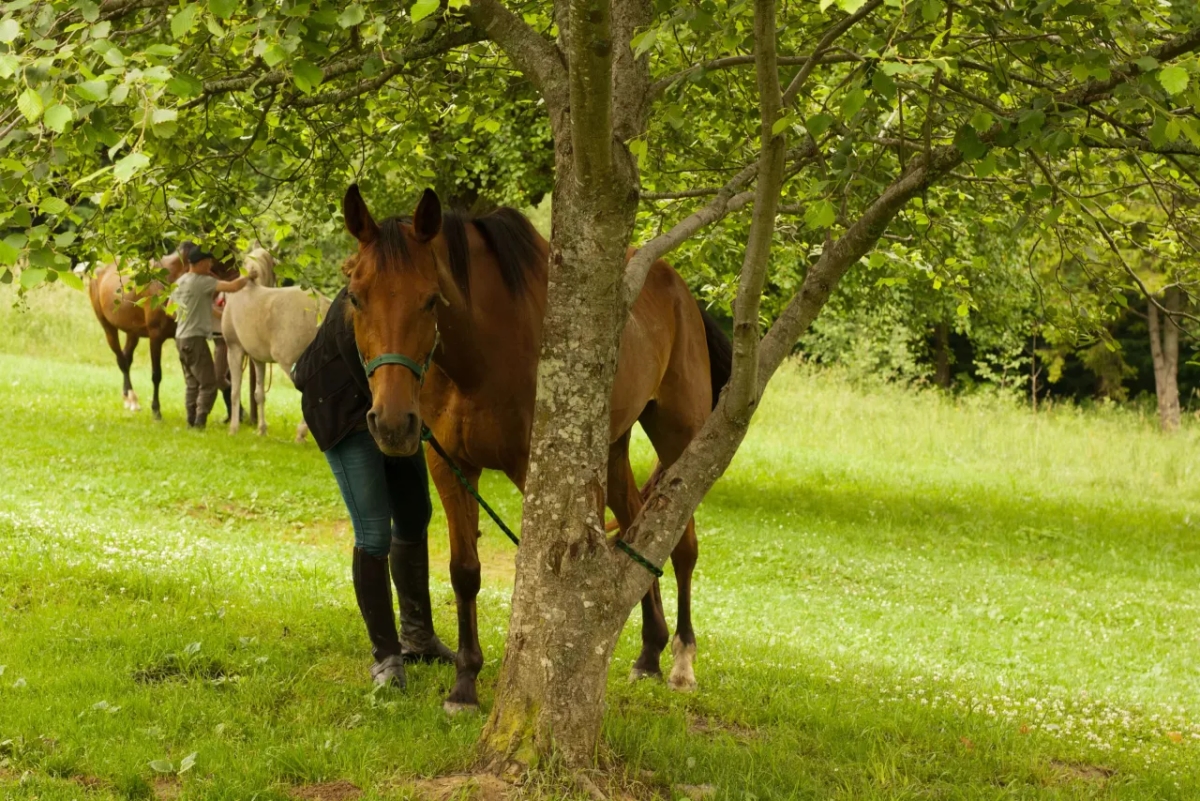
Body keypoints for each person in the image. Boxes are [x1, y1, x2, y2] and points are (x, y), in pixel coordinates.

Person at [292, 286, 455, 688]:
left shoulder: (412, 295)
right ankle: (386, 657)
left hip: (392, 405)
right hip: (342, 407)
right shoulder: (365, 295)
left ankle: (418, 636)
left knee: (416, 512)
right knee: (374, 532)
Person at [172, 246, 248, 429]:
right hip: (195, 339)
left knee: (192, 383)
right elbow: (233, 286)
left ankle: (190, 420)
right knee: (209, 383)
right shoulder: (202, 281)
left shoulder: (180, 281)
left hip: (180, 338)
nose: (211, 265)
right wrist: (250, 275)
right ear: (199, 263)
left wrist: (198, 314)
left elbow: (170, 310)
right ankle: (200, 422)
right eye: (208, 262)